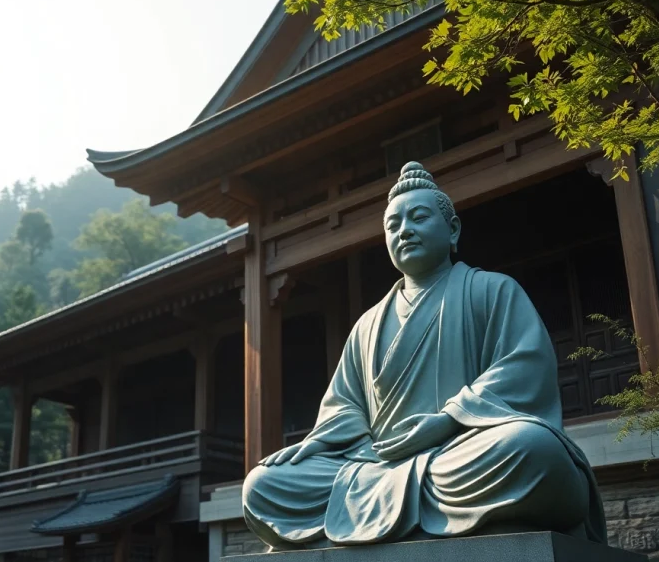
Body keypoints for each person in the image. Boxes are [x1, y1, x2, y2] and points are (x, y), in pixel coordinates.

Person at [241, 162, 605, 550]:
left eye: (417, 218)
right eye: (393, 225)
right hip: (378, 462)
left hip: (462, 448)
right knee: (262, 486)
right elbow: (346, 404)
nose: (404, 231)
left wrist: (449, 421)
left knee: (535, 450)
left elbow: (524, 368)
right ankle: (422, 512)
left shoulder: (491, 290)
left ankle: (386, 514)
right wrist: (323, 440)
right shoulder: (368, 324)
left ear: (452, 230)